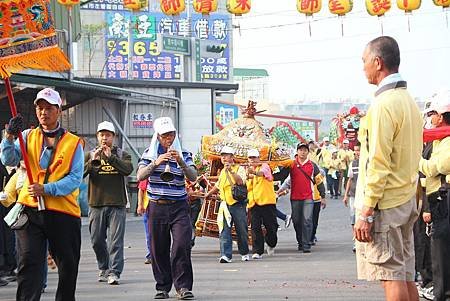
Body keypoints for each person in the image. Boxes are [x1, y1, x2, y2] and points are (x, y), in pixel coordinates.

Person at [354, 36, 422, 301]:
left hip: (387, 203)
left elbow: (378, 163)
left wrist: (366, 211)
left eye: (364, 62)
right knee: (404, 274)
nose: (363, 68)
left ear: (377, 62)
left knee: (390, 275)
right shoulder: (409, 100)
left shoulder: (383, 105)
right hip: (406, 197)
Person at [1, 88, 84, 301]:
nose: (43, 112)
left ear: (58, 111)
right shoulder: (27, 136)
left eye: (48, 108)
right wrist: (9, 136)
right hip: (30, 211)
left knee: (67, 266)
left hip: (63, 211)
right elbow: (8, 160)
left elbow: (75, 179)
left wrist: (47, 189)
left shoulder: (73, 143)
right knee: (28, 263)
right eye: (40, 108)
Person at [137, 117, 196, 300]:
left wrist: (181, 163)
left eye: (171, 134)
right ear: (158, 136)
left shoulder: (184, 153)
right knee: (158, 248)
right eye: (164, 135)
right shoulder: (149, 153)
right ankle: (162, 286)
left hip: (179, 206)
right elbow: (139, 176)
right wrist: (156, 162)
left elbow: (193, 176)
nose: (168, 138)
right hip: (156, 206)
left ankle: (183, 287)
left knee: (181, 245)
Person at [84, 121, 133, 285]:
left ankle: (114, 272)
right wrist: (93, 161)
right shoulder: (89, 154)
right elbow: (79, 174)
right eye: (102, 135)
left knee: (115, 241)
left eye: (108, 135)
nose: (105, 138)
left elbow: (128, 169)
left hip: (117, 204)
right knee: (96, 239)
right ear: (97, 137)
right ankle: (104, 267)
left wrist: (110, 157)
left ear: (114, 137)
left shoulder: (121, 154)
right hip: (96, 203)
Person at [418, 90, 450, 301]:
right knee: (437, 246)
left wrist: (419, 163)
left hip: (443, 198)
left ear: (441, 115)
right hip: (435, 197)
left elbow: (439, 166)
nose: (430, 118)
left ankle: (442, 293)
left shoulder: (447, 139)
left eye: (432, 113)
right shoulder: (439, 138)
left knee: (440, 248)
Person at [204, 146, 249, 263]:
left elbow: (240, 181)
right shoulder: (223, 171)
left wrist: (231, 171)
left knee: (241, 230)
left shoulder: (239, 169)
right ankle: (226, 255)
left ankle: (244, 252)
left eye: (226, 155)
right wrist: (208, 194)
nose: (223, 158)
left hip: (237, 204)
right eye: (222, 155)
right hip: (224, 205)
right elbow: (218, 185)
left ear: (232, 157)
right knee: (224, 230)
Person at [278, 143, 326, 253]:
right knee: (297, 221)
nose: (303, 152)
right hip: (295, 197)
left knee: (307, 220)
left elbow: (319, 181)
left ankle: (306, 244)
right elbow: (282, 176)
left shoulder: (313, 166)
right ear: (297, 151)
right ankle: (300, 241)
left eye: (305, 150)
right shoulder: (291, 164)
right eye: (301, 150)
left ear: (308, 152)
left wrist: (323, 196)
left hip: (308, 197)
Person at [245, 149, 278, 259]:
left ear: (259, 158)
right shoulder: (247, 170)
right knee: (255, 227)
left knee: (271, 226)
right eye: (250, 158)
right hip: (254, 203)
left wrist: (253, 173)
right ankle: (257, 251)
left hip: (267, 202)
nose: (252, 160)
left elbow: (262, 174)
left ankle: (271, 243)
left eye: (254, 157)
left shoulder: (265, 166)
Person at [342, 142, 361, 252]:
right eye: (355, 150)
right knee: (353, 217)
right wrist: (346, 195)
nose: (356, 152)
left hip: (364, 195)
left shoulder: (368, 163)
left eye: (358, 150)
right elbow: (350, 179)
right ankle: (355, 240)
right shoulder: (353, 164)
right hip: (353, 194)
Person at [137, 179, 152, 264]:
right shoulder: (148, 173)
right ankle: (151, 255)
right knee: (149, 234)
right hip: (148, 208)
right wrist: (140, 205)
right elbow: (141, 189)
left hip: (164, 207)